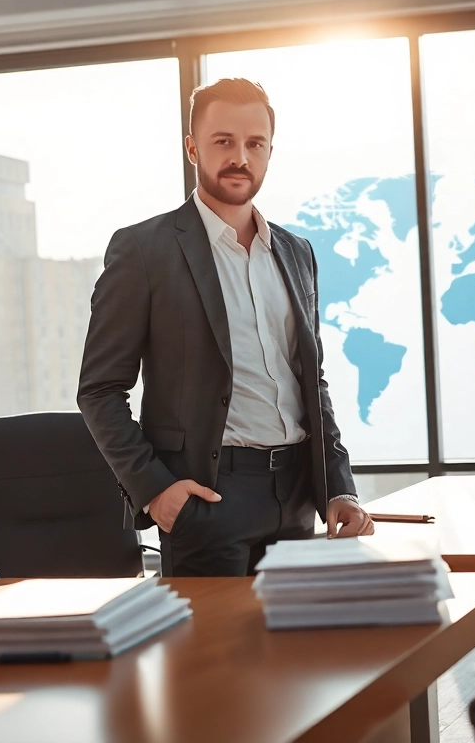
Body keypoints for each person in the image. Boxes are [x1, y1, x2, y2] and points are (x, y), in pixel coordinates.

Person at [77, 78, 374, 577]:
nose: (240, 156)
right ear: (193, 148)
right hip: (208, 501)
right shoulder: (145, 251)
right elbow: (100, 389)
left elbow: (310, 382)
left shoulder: (296, 253)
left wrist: (337, 485)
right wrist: (155, 491)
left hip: (298, 500)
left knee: (296, 654)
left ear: (269, 152)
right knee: (209, 656)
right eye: (223, 142)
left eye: (254, 143)